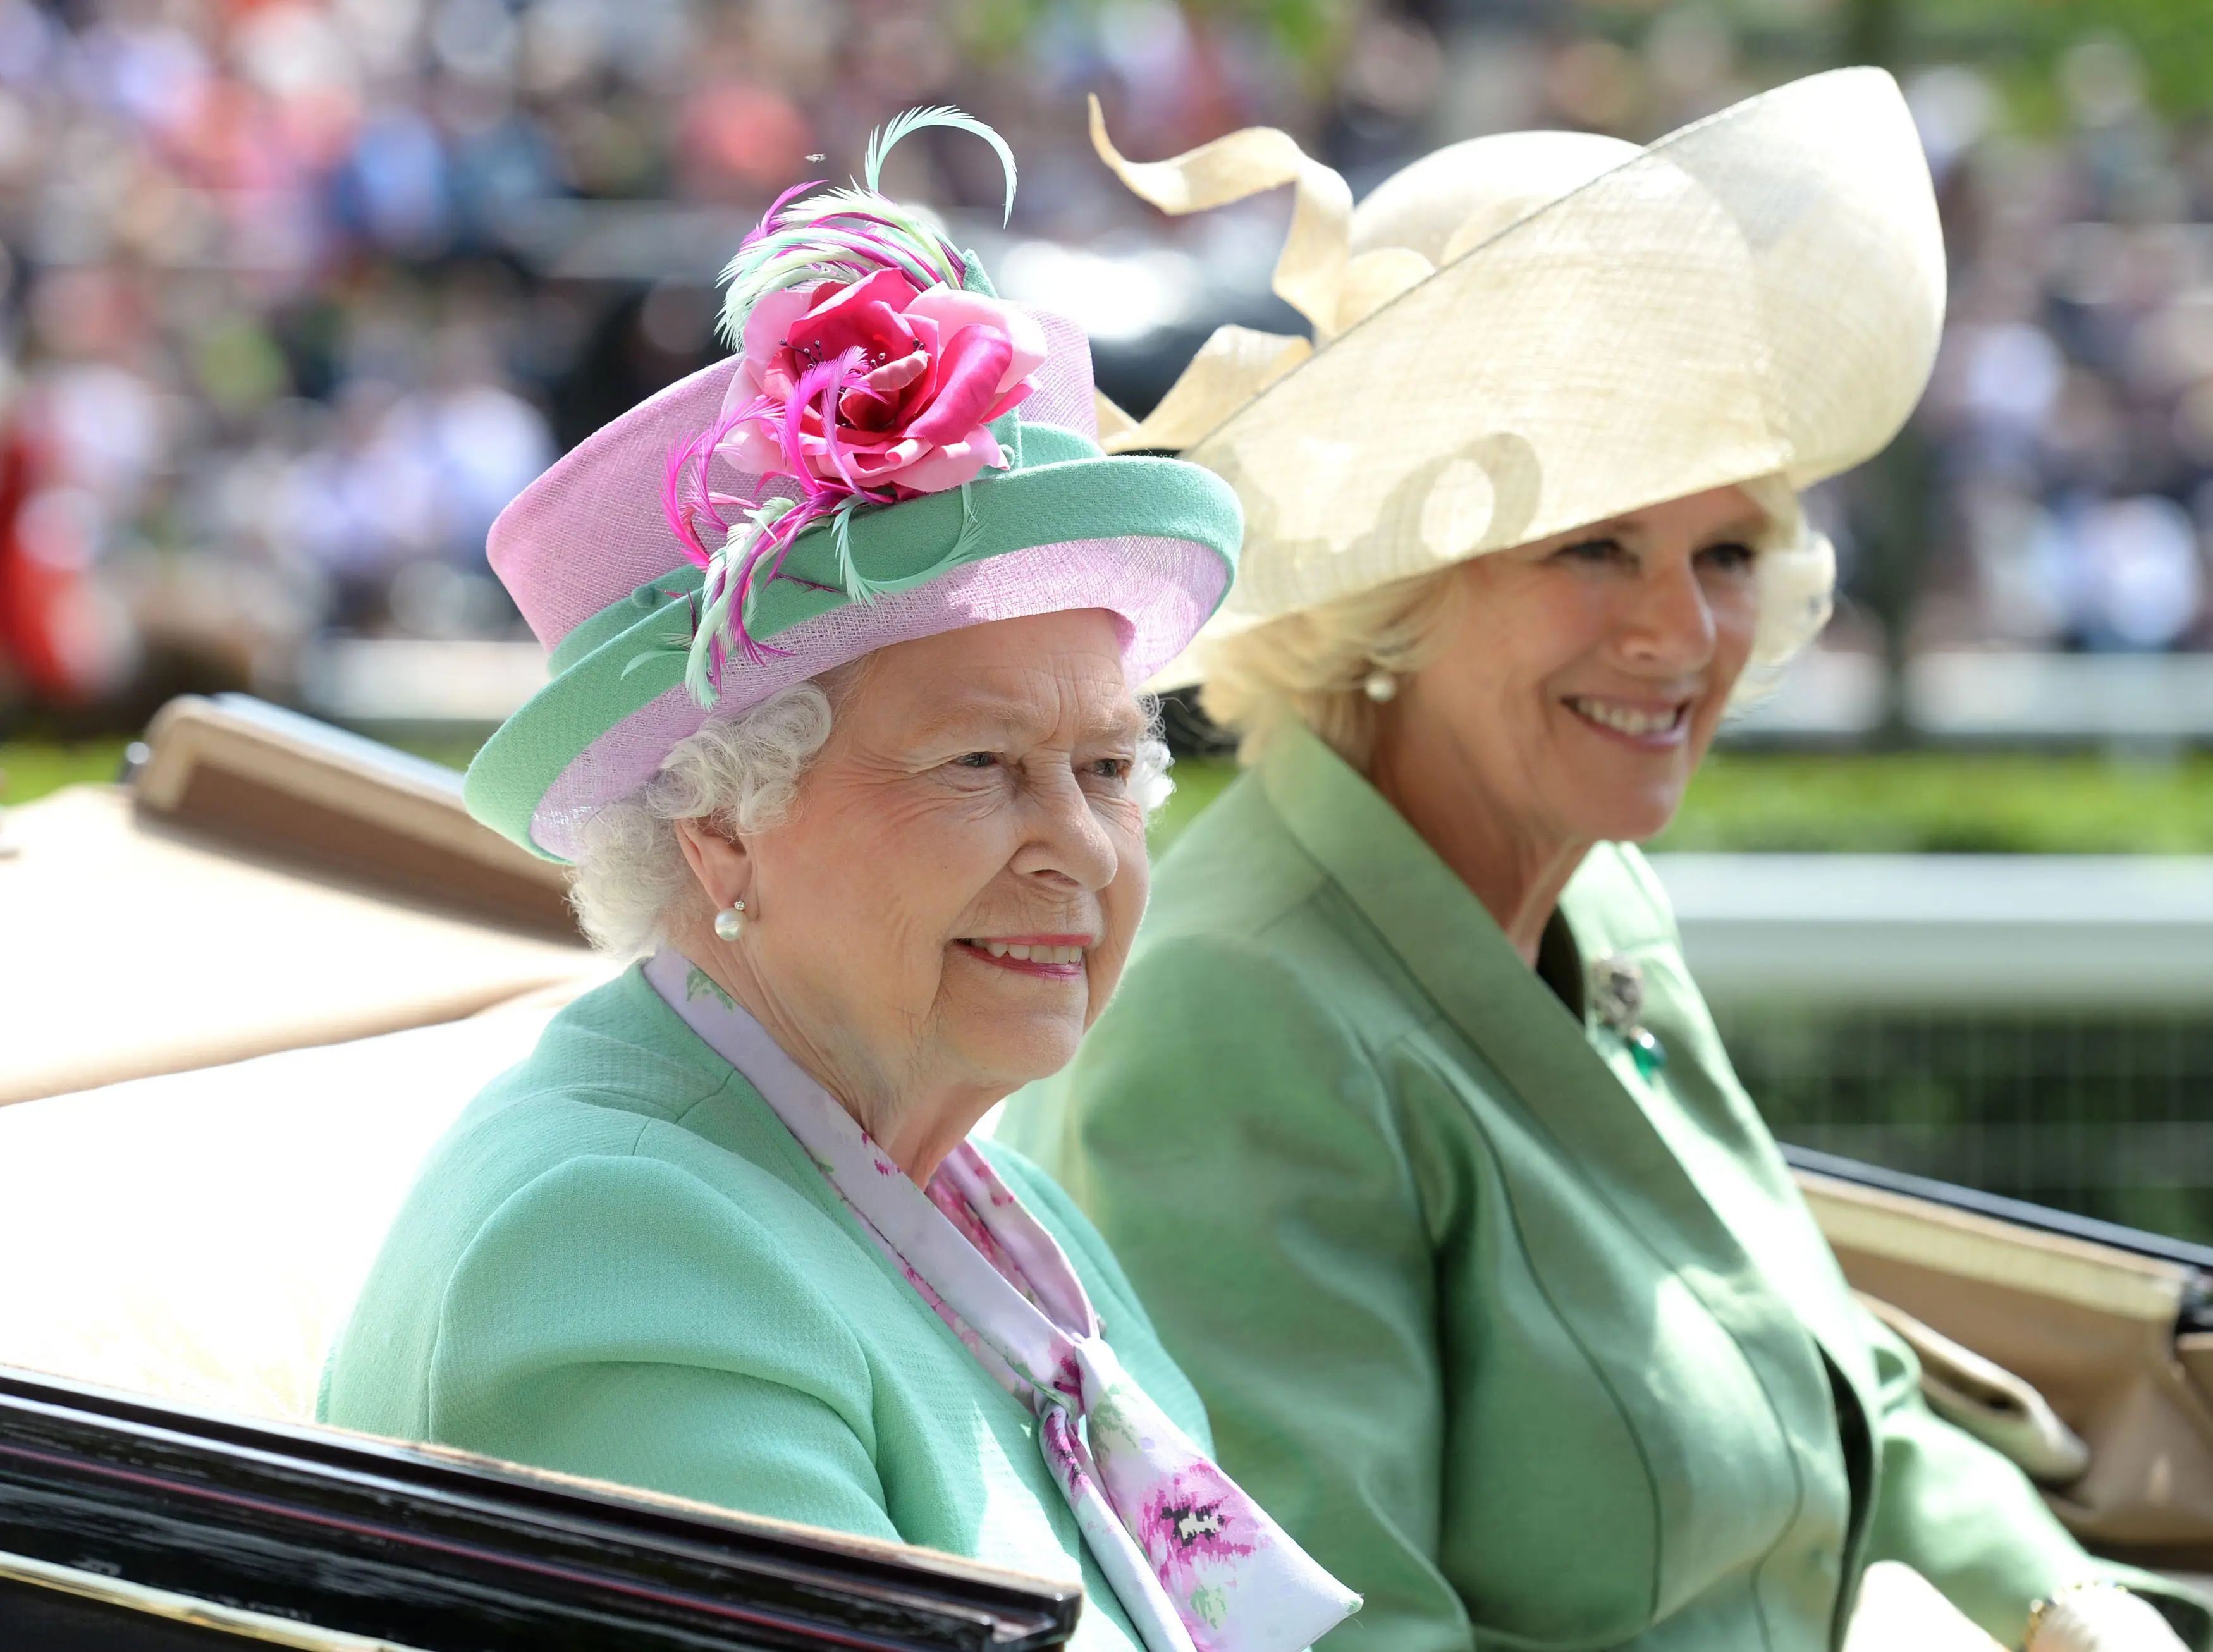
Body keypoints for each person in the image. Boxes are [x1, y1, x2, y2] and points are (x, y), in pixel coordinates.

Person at [1000, 70, 2209, 1652]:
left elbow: (1836, 1386)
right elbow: (1331, 1637)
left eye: (1721, 552)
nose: (1681, 632)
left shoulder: (1586, 891)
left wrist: (2066, 1606)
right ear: (1395, 582)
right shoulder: (1237, 1016)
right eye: (1591, 546)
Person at [321, 113, 1359, 1652]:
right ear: (718, 827)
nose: (1076, 845)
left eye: (1106, 768)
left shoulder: (985, 1205)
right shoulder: (618, 1248)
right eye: (977, 766)